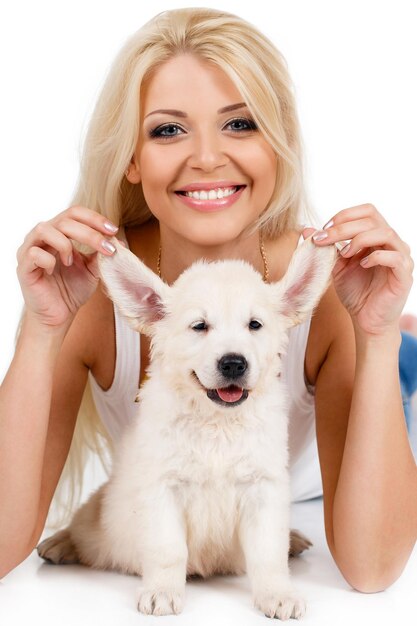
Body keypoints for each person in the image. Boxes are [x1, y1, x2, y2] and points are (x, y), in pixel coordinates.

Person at [0, 7, 416, 591]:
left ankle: (407, 345)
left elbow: (372, 569)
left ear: (280, 143)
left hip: (311, 464)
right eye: (168, 129)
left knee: (402, 365)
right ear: (130, 157)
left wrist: (375, 338)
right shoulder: (97, 290)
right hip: (195, 484)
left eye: (241, 124)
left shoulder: (320, 289)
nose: (207, 157)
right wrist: (40, 334)